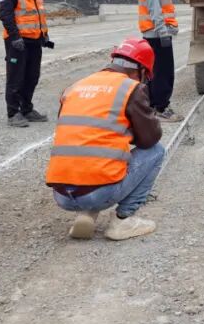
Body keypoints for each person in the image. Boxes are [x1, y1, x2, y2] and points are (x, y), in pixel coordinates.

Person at [47, 38, 164, 241]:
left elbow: (81, 133)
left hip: (62, 195)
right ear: (141, 70)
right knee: (156, 151)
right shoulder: (131, 88)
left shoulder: (76, 86)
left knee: (95, 150)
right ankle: (122, 220)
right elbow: (149, 139)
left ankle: (87, 213)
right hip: (97, 193)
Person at [0, 0, 54, 127]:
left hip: (34, 41)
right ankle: (13, 113)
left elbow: (38, 14)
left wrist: (44, 35)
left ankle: (27, 109)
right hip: (18, 42)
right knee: (16, 78)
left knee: (32, 77)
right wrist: (15, 37)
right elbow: (5, 14)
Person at [138, 0, 181, 122]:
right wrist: (163, 33)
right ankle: (161, 108)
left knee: (155, 72)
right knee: (163, 73)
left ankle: (153, 106)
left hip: (156, 34)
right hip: (157, 35)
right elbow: (155, 10)